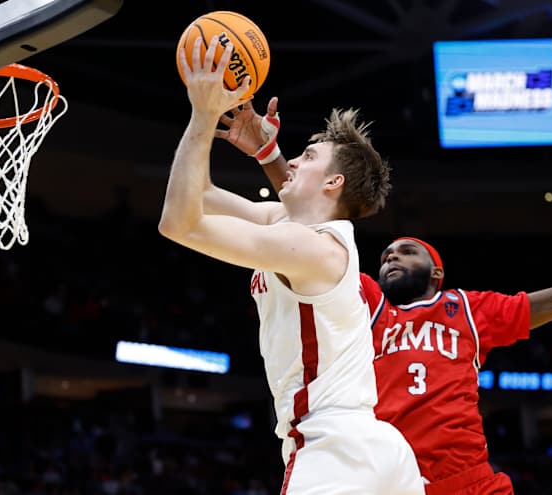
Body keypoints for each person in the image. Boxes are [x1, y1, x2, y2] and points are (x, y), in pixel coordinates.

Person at [217, 96, 552, 494]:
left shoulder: (469, 309)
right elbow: (311, 213)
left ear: (436, 273)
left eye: (408, 252)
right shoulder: (367, 303)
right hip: (384, 476)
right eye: (388, 253)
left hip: (466, 479)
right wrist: (271, 157)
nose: (392, 256)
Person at [159, 35, 425, 495]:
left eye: (309, 157)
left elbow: (178, 224)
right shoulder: (290, 225)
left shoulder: (314, 249)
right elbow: (196, 195)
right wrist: (257, 149)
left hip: (335, 448)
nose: (294, 161)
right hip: (367, 449)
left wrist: (202, 114)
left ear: (334, 182)